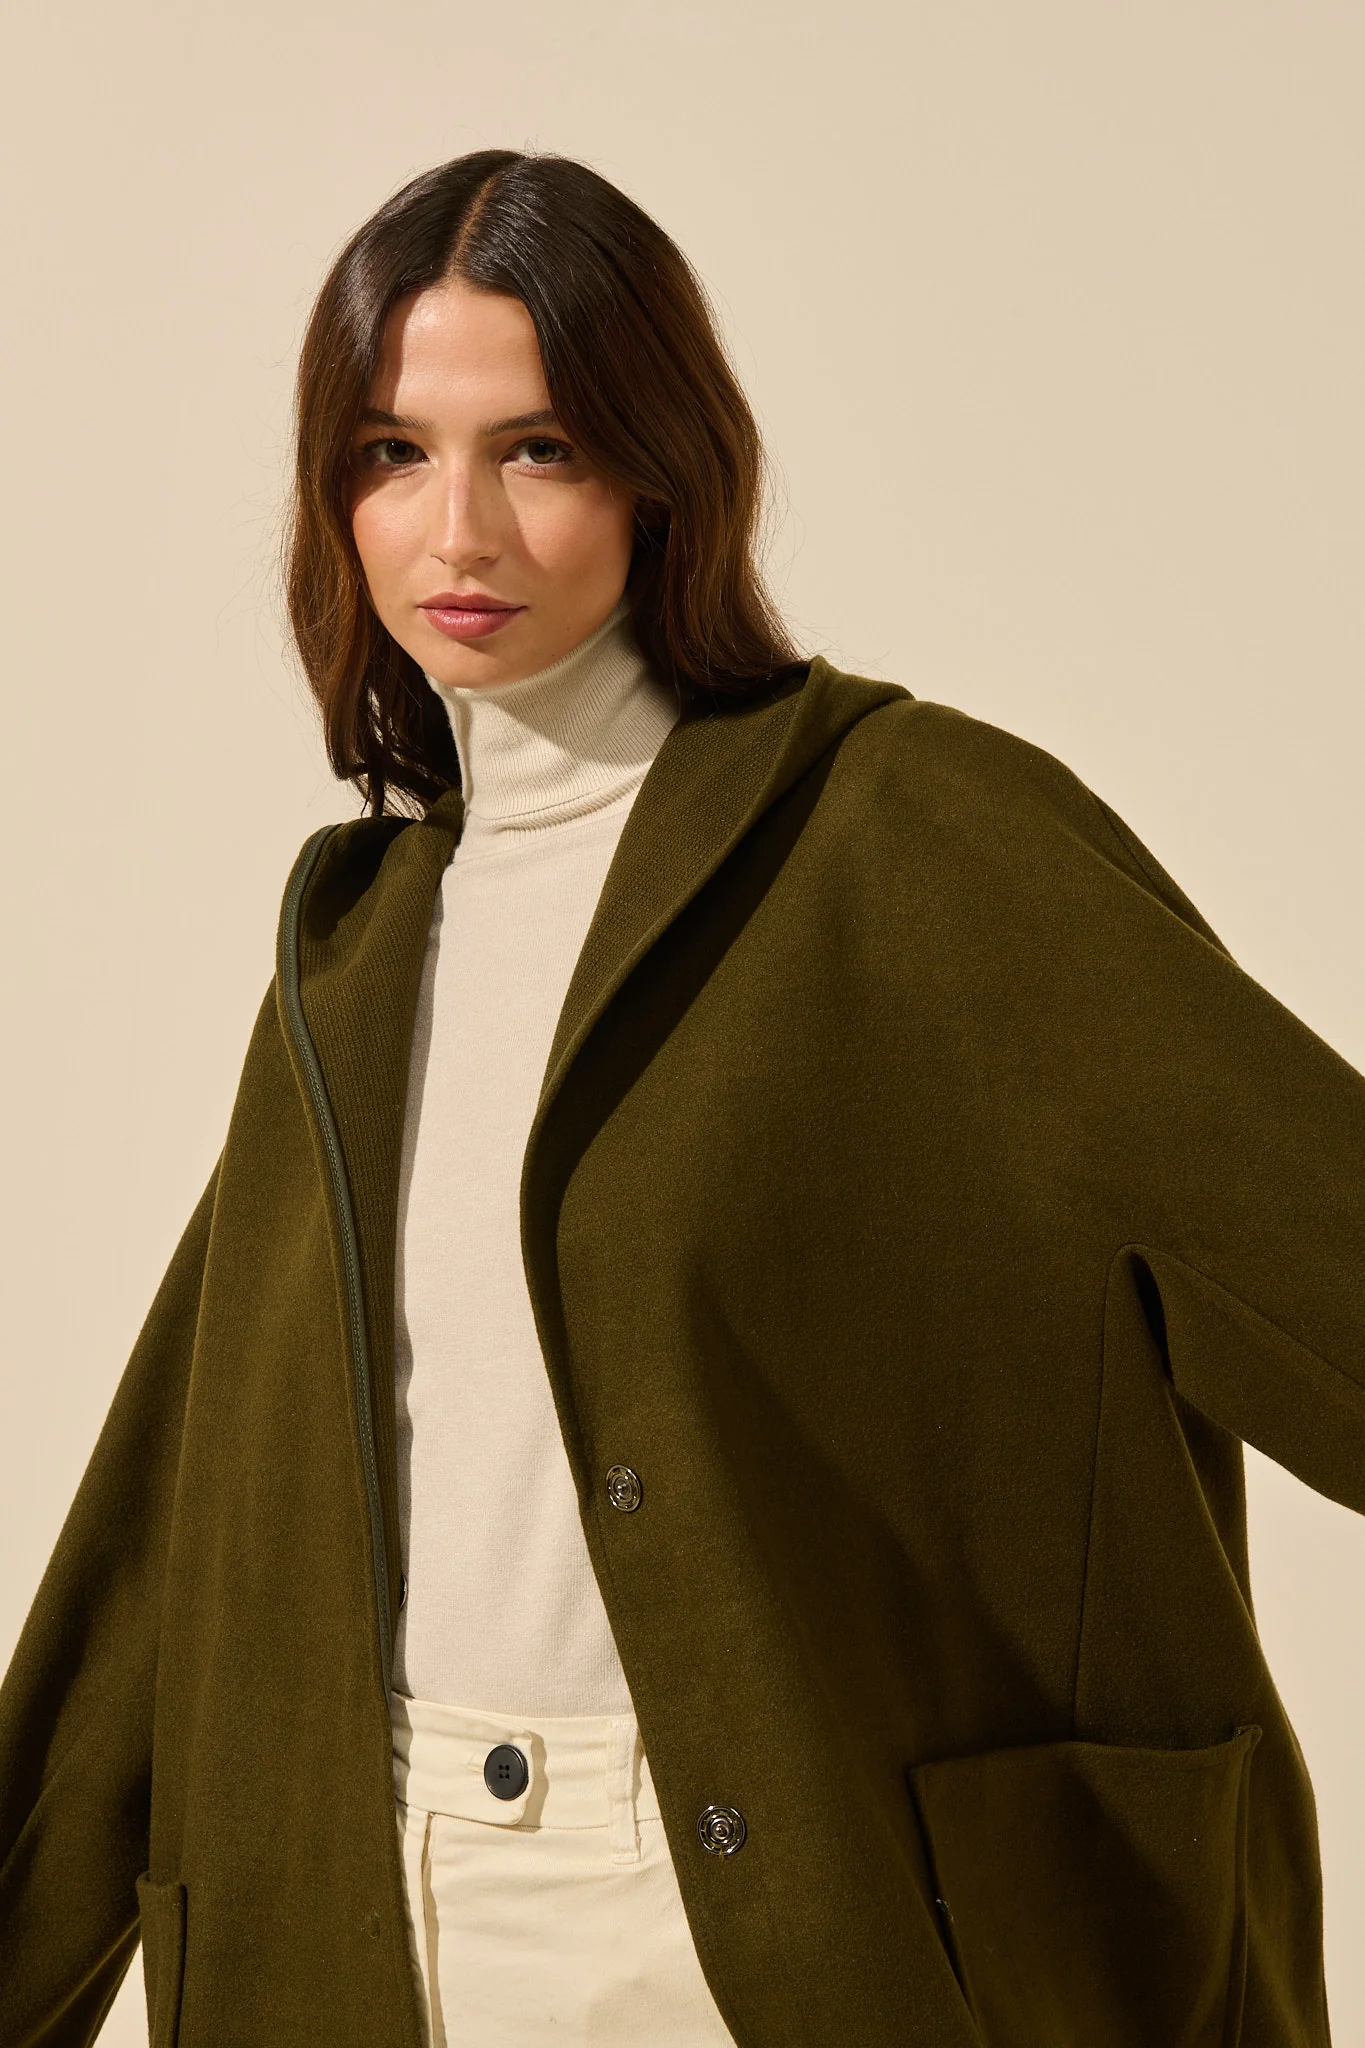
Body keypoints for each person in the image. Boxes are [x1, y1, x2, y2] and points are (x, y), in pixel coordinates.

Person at [0, 147, 1360, 2048]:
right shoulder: (359, 958)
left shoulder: (917, 840)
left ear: (661, 472)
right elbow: (169, 1538)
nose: (458, 529)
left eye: (538, 449)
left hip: (777, 1942)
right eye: (393, 453)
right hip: (360, 1933)